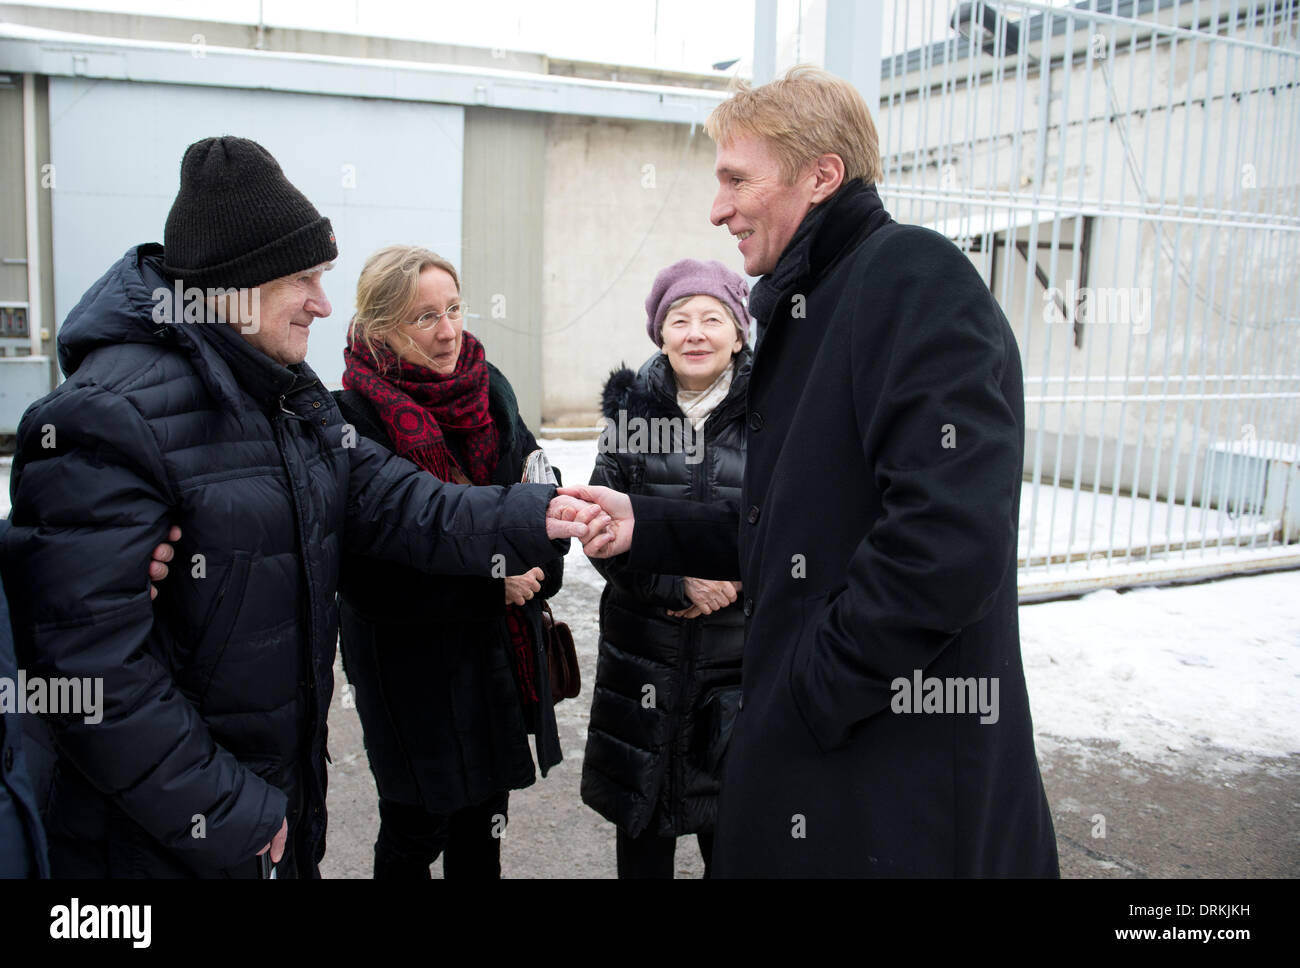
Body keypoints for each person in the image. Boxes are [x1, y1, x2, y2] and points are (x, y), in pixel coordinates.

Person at [0, 136, 606, 879]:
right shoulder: (108, 419)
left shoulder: (284, 396)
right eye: (303, 279)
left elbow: (396, 501)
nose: (324, 303)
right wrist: (227, 813)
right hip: (160, 843)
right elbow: (87, 670)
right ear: (234, 284)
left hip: (272, 813)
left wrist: (530, 515)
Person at [563, 66, 1059, 877]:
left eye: (735, 179)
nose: (717, 207)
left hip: (898, 784)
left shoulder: (911, 278)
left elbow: (946, 544)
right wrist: (648, 525)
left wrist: (807, 692)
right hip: (836, 767)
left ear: (822, 174)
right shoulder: (811, 304)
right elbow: (799, 523)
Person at [333, 245, 565, 879]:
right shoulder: (352, 418)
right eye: (424, 317)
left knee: (483, 824)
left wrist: (539, 563)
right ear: (379, 328)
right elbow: (366, 577)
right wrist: (493, 587)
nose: (447, 331)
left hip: (491, 656)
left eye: (454, 309)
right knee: (414, 827)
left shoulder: (489, 389)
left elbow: (538, 487)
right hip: (410, 671)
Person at [581, 259, 751, 878]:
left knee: (732, 840)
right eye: (680, 319)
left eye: (714, 318)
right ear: (661, 333)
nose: (696, 333)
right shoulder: (632, 422)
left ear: (740, 333)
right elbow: (601, 534)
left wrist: (735, 578)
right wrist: (676, 583)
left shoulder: (774, 417)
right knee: (644, 837)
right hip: (644, 659)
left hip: (736, 664)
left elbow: (800, 523)